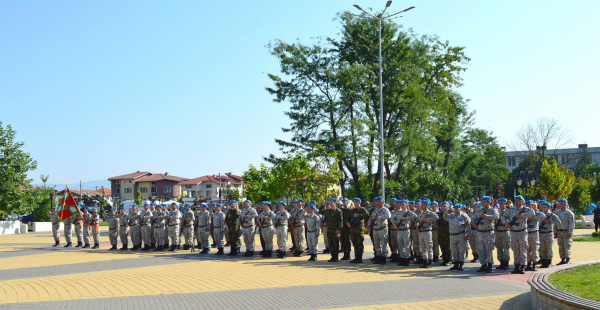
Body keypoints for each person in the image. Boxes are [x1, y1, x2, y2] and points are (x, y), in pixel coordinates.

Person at [503, 195, 534, 274]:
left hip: (522, 232)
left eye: (518, 201)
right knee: (515, 249)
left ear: (522, 202)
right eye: (516, 201)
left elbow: (532, 213)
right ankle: (516, 266)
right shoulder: (510, 209)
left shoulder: (525, 209)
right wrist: (505, 223)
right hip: (513, 232)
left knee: (523, 249)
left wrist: (522, 215)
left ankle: (523, 266)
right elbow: (503, 217)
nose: (516, 202)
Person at [475, 196, 499, 273]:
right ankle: (483, 265)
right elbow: (474, 217)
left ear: (489, 202)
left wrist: (486, 216)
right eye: (482, 201)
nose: (483, 203)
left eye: (485, 201)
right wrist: (473, 224)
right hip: (480, 232)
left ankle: (490, 265)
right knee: (481, 249)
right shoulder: (479, 210)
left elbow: (496, 217)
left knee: (489, 249)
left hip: (488, 232)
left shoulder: (493, 210)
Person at [445, 203, 471, 271]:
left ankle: (461, 264)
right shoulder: (451, 215)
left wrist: (467, 235)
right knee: (454, 250)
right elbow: (445, 218)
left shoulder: (464, 216)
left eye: (457, 208)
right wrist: (446, 212)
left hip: (461, 235)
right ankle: (456, 263)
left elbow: (468, 226)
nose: (455, 210)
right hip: (452, 235)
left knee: (461, 250)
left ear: (460, 209)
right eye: (455, 208)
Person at [417, 199, 439, 268]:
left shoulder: (430, 213)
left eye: (423, 204)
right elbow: (417, 220)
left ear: (427, 206)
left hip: (427, 232)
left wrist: (428, 220)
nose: (421, 206)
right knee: (423, 248)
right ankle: (424, 260)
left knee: (429, 247)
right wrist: (417, 226)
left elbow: (436, 217)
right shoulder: (421, 213)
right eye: (421, 204)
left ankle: (430, 261)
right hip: (421, 232)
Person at [394, 200, 416, 267]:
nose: (402, 205)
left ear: (406, 205)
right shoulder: (398, 212)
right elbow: (392, 218)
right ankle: (402, 259)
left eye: (403, 204)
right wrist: (394, 224)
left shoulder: (409, 212)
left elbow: (415, 216)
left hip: (406, 230)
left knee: (406, 245)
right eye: (401, 204)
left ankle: (407, 259)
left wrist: (406, 218)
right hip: (399, 230)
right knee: (400, 245)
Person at [538, 202, 561, 268]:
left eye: (545, 207)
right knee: (542, 248)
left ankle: (549, 262)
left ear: (549, 208)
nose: (543, 208)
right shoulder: (541, 215)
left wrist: (550, 222)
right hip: (541, 233)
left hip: (548, 233)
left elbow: (558, 222)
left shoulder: (552, 215)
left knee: (548, 248)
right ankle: (544, 262)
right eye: (543, 207)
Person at [370, 197, 391, 265]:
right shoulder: (375, 210)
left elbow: (388, 216)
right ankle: (378, 257)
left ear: (383, 203)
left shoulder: (385, 210)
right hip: (375, 229)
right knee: (376, 244)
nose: (379, 203)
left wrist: (379, 217)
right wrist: (370, 224)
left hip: (382, 229)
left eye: (380, 202)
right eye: (378, 202)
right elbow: (371, 217)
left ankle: (384, 258)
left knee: (384, 244)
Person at [526, 201, 546, 271]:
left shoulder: (536, 212)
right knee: (527, 249)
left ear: (533, 206)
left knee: (534, 249)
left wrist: (532, 218)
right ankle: (528, 264)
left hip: (534, 233)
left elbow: (543, 215)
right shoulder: (524, 213)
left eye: (530, 205)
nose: (528, 206)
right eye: (527, 205)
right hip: (526, 233)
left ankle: (534, 264)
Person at [554, 198, 575, 265]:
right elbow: (555, 223)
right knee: (561, 246)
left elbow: (571, 224)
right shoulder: (557, 212)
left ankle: (567, 259)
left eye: (561, 203)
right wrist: (555, 231)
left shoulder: (569, 213)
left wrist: (570, 232)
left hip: (566, 232)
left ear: (565, 204)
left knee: (567, 246)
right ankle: (562, 259)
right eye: (559, 203)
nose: (560, 205)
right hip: (559, 231)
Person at [323, 198, 343, 262]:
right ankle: (332, 256)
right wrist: (323, 205)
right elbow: (321, 211)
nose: (330, 203)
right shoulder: (328, 210)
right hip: (329, 230)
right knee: (331, 243)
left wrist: (339, 230)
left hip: (335, 230)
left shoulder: (338, 211)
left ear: (335, 203)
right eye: (330, 202)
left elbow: (340, 221)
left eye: (331, 202)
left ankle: (336, 257)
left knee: (336, 243)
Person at [494, 198, 511, 270]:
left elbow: (511, 221)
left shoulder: (508, 211)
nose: (500, 204)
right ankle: (501, 262)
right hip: (498, 232)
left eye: (502, 203)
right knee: (499, 247)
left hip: (505, 231)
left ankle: (506, 263)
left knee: (506, 247)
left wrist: (503, 219)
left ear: (505, 203)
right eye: (499, 203)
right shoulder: (496, 211)